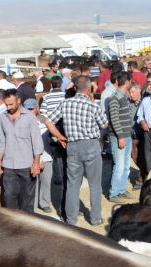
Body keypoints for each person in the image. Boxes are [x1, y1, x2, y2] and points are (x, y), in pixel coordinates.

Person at [43, 76, 108, 226]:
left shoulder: (65, 103)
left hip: (72, 145)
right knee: (94, 184)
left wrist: (59, 137)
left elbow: (47, 121)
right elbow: (104, 125)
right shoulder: (93, 105)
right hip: (91, 145)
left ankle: (71, 220)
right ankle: (95, 218)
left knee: (72, 183)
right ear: (88, 88)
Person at [0, 90, 43, 213]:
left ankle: (27, 227)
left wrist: (36, 163)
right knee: (9, 198)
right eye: (6, 105)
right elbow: (2, 140)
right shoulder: (2, 117)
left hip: (27, 166)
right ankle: (13, 228)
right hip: (9, 166)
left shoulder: (30, 117)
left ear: (18, 100)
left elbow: (37, 142)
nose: (8, 107)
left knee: (27, 200)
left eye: (11, 104)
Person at [106, 72, 136, 203]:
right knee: (119, 165)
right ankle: (114, 193)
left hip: (126, 135)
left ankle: (121, 190)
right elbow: (114, 118)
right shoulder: (115, 98)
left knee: (125, 166)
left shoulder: (122, 96)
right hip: (120, 136)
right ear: (127, 82)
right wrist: (120, 136)